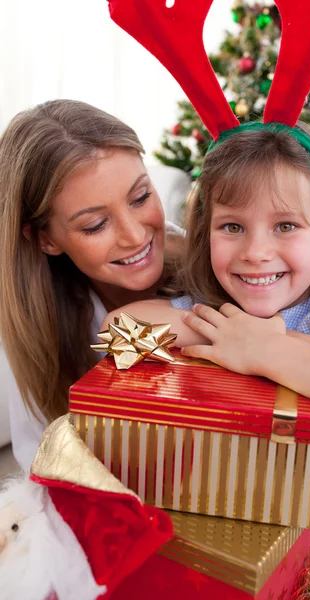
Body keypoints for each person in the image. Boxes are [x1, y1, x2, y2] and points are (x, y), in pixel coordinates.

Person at [102, 121, 310, 557]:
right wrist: (235, 336)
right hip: (237, 549)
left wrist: (273, 352)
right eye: (233, 227)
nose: (255, 252)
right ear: (206, 235)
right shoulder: (221, 316)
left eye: (285, 226)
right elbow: (116, 329)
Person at [0, 99, 183, 471]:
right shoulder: (40, 328)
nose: (134, 236)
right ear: (45, 240)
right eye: (96, 225)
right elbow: (43, 465)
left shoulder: (228, 269)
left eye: (141, 197)